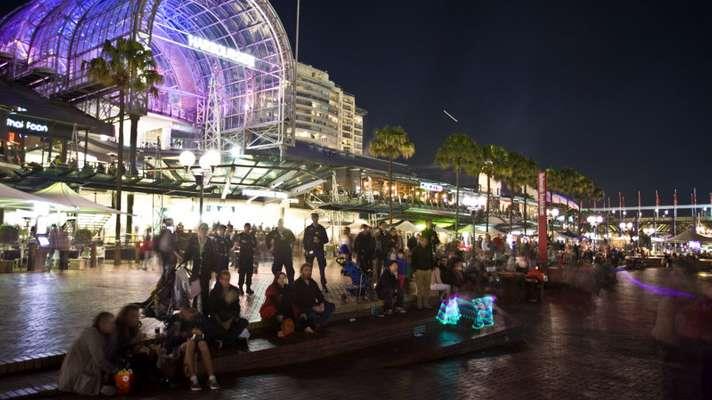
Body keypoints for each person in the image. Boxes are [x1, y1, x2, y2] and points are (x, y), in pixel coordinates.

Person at [58, 312, 118, 396]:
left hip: (84, 370)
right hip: (78, 375)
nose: (114, 326)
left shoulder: (101, 335)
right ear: (101, 323)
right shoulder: (92, 333)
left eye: (114, 323)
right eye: (111, 323)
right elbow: (99, 360)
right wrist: (115, 370)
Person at [163, 307, 219, 391]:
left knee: (201, 343)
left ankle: (211, 378)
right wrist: (186, 334)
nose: (187, 313)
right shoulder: (176, 320)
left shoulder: (201, 318)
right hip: (183, 345)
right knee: (190, 342)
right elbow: (170, 341)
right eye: (185, 311)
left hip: (202, 344)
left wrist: (201, 334)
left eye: (190, 312)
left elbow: (212, 334)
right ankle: (194, 379)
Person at [111, 304, 157, 391]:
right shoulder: (117, 329)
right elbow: (119, 349)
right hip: (118, 360)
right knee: (142, 357)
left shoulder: (133, 328)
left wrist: (142, 343)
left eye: (137, 316)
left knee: (151, 352)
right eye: (133, 316)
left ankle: (151, 381)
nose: (136, 319)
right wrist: (137, 341)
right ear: (124, 317)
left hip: (128, 355)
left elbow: (134, 347)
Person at [206, 270, 249, 349]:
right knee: (211, 326)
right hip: (218, 319)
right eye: (224, 280)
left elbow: (237, 308)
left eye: (228, 280)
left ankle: (225, 341)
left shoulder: (233, 290)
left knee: (244, 322)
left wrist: (231, 319)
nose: (226, 282)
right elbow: (212, 309)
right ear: (220, 280)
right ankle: (228, 340)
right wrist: (225, 301)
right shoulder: (214, 292)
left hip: (230, 319)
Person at [184, 223, 217, 313]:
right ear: (198, 230)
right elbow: (188, 252)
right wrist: (183, 259)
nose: (203, 231)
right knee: (195, 293)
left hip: (206, 271)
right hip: (195, 271)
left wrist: (214, 270)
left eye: (205, 229)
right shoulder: (193, 240)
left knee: (205, 293)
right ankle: (194, 312)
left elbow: (214, 256)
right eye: (202, 229)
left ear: (207, 231)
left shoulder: (210, 242)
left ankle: (205, 313)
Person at [293, 263, 335, 334]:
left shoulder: (313, 282)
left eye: (309, 270)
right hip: (304, 307)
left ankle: (318, 323)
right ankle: (317, 323)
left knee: (331, 306)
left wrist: (321, 303)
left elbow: (319, 295)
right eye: (306, 270)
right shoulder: (297, 284)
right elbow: (297, 301)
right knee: (312, 315)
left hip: (314, 305)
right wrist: (313, 307)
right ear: (301, 271)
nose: (308, 272)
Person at [259, 272, 295, 338]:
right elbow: (274, 303)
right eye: (280, 278)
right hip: (272, 308)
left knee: (293, 310)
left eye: (283, 278)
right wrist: (279, 313)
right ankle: (278, 331)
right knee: (274, 314)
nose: (282, 280)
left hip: (284, 308)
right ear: (276, 279)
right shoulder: (272, 288)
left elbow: (290, 300)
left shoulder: (287, 287)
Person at [303, 213, 329, 292]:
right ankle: (308, 284)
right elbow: (304, 240)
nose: (314, 219)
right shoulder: (308, 228)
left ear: (318, 218)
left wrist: (319, 240)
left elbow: (326, 240)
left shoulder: (322, 228)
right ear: (311, 218)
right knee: (308, 268)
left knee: (322, 268)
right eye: (313, 217)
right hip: (310, 251)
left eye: (316, 217)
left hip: (319, 251)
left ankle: (323, 285)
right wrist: (306, 250)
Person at [267, 219, 296, 284]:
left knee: (290, 270)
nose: (280, 224)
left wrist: (292, 248)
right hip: (278, 254)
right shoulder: (274, 232)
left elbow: (293, 239)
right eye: (279, 223)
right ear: (278, 223)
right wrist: (270, 248)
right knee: (275, 269)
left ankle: (291, 284)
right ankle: (278, 282)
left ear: (283, 223)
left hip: (287, 254)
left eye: (282, 223)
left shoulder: (288, 231)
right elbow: (267, 238)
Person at [411, 236, 434, 309]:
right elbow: (413, 261)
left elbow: (431, 259)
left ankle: (426, 303)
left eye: (426, 241)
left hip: (428, 270)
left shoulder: (429, 249)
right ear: (420, 241)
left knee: (427, 287)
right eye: (424, 241)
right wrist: (414, 271)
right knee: (420, 288)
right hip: (419, 270)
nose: (426, 242)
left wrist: (431, 268)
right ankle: (419, 304)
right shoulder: (415, 249)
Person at [235, 223, 257, 295]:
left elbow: (255, 245)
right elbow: (237, 244)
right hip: (242, 257)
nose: (247, 229)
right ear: (244, 227)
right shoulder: (240, 235)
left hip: (250, 257)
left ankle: (248, 288)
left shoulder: (252, 236)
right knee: (241, 273)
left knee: (249, 273)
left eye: (248, 228)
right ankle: (240, 288)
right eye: (246, 227)